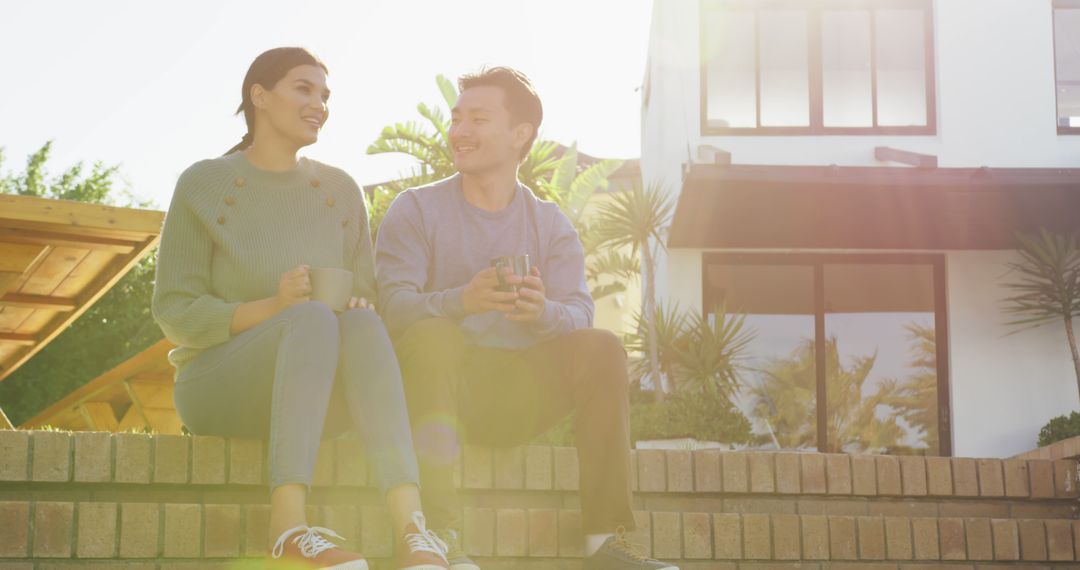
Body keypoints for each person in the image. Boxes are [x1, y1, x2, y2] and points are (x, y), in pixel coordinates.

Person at [152, 47, 448, 570]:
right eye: (303, 89)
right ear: (259, 96)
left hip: (319, 396)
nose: (320, 105)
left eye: (325, 95)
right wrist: (275, 305)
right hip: (217, 386)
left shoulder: (340, 190)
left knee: (360, 320)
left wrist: (359, 302)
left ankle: (412, 531)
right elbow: (176, 312)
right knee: (311, 315)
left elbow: (368, 295)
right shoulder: (203, 184)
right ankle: (287, 528)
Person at [375, 66, 679, 570]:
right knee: (432, 335)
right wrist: (460, 301)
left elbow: (580, 312)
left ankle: (605, 541)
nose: (459, 131)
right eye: (456, 118)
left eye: (477, 118)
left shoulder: (549, 223)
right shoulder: (415, 210)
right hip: (442, 386)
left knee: (603, 346)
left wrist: (542, 313)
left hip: (522, 391)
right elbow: (392, 309)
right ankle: (441, 534)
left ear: (520, 135)